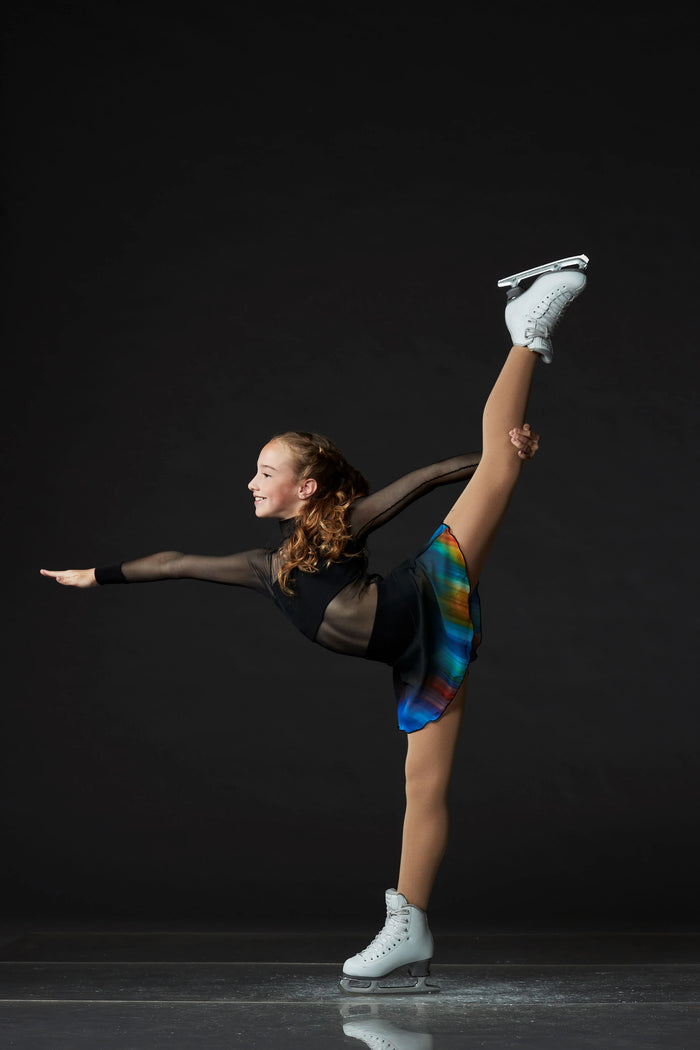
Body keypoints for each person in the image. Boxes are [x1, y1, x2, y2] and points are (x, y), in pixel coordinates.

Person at [41, 256, 588, 993]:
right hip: (419, 654)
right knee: (422, 788)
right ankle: (410, 927)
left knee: (498, 468)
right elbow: (174, 562)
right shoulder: (262, 569)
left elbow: (421, 481)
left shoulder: (341, 527)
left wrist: (491, 459)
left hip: (420, 599)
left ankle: (526, 330)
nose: (251, 481)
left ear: (305, 487)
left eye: (265, 471)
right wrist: (94, 575)